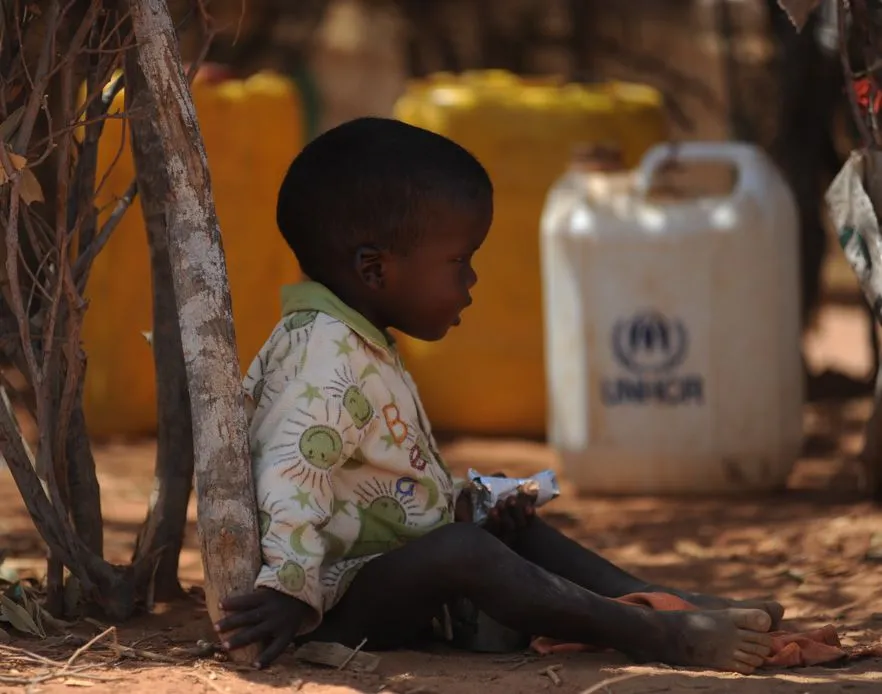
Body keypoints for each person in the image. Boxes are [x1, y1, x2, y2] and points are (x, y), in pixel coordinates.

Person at [214, 117, 784, 674]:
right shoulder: (322, 351)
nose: (472, 281)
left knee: (501, 526)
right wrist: (289, 590)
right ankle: (647, 632)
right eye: (459, 261)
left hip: (383, 570)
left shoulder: (356, 340)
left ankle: (657, 600)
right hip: (331, 603)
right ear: (375, 269)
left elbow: (378, 477)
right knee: (462, 550)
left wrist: (465, 499)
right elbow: (290, 476)